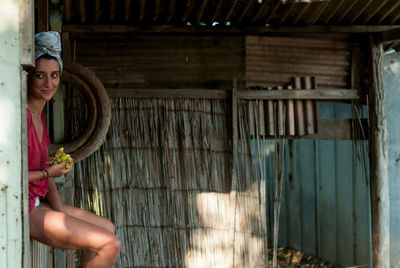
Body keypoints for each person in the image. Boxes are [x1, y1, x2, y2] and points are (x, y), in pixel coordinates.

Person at [28, 31, 120, 268]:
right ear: (29, 76)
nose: (49, 84)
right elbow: (8, 177)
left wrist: (61, 213)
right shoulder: (22, 117)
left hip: (39, 201)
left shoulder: (39, 117)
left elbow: (46, 169)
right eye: (40, 76)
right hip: (25, 208)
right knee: (110, 244)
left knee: (108, 228)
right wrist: (50, 174)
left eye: (54, 75)